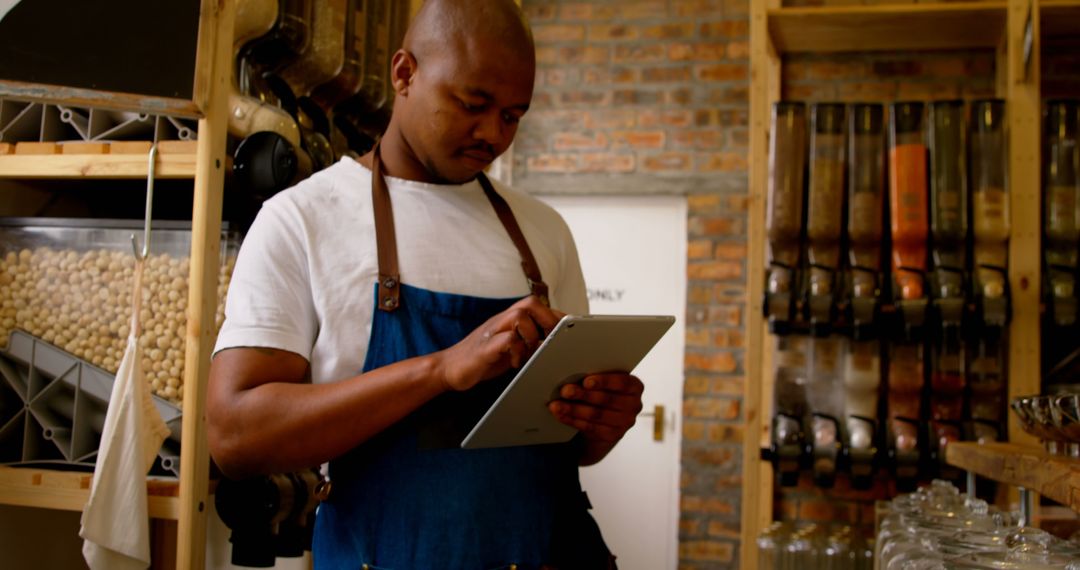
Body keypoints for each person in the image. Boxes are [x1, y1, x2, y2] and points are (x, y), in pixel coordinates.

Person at [207, 0, 643, 567]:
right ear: (404, 73)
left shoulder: (544, 233)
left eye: (513, 116)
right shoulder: (304, 219)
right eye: (473, 104)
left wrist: (602, 424)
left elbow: (571, 451)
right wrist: (440, 370)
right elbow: (236, 437)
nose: (492, 134)